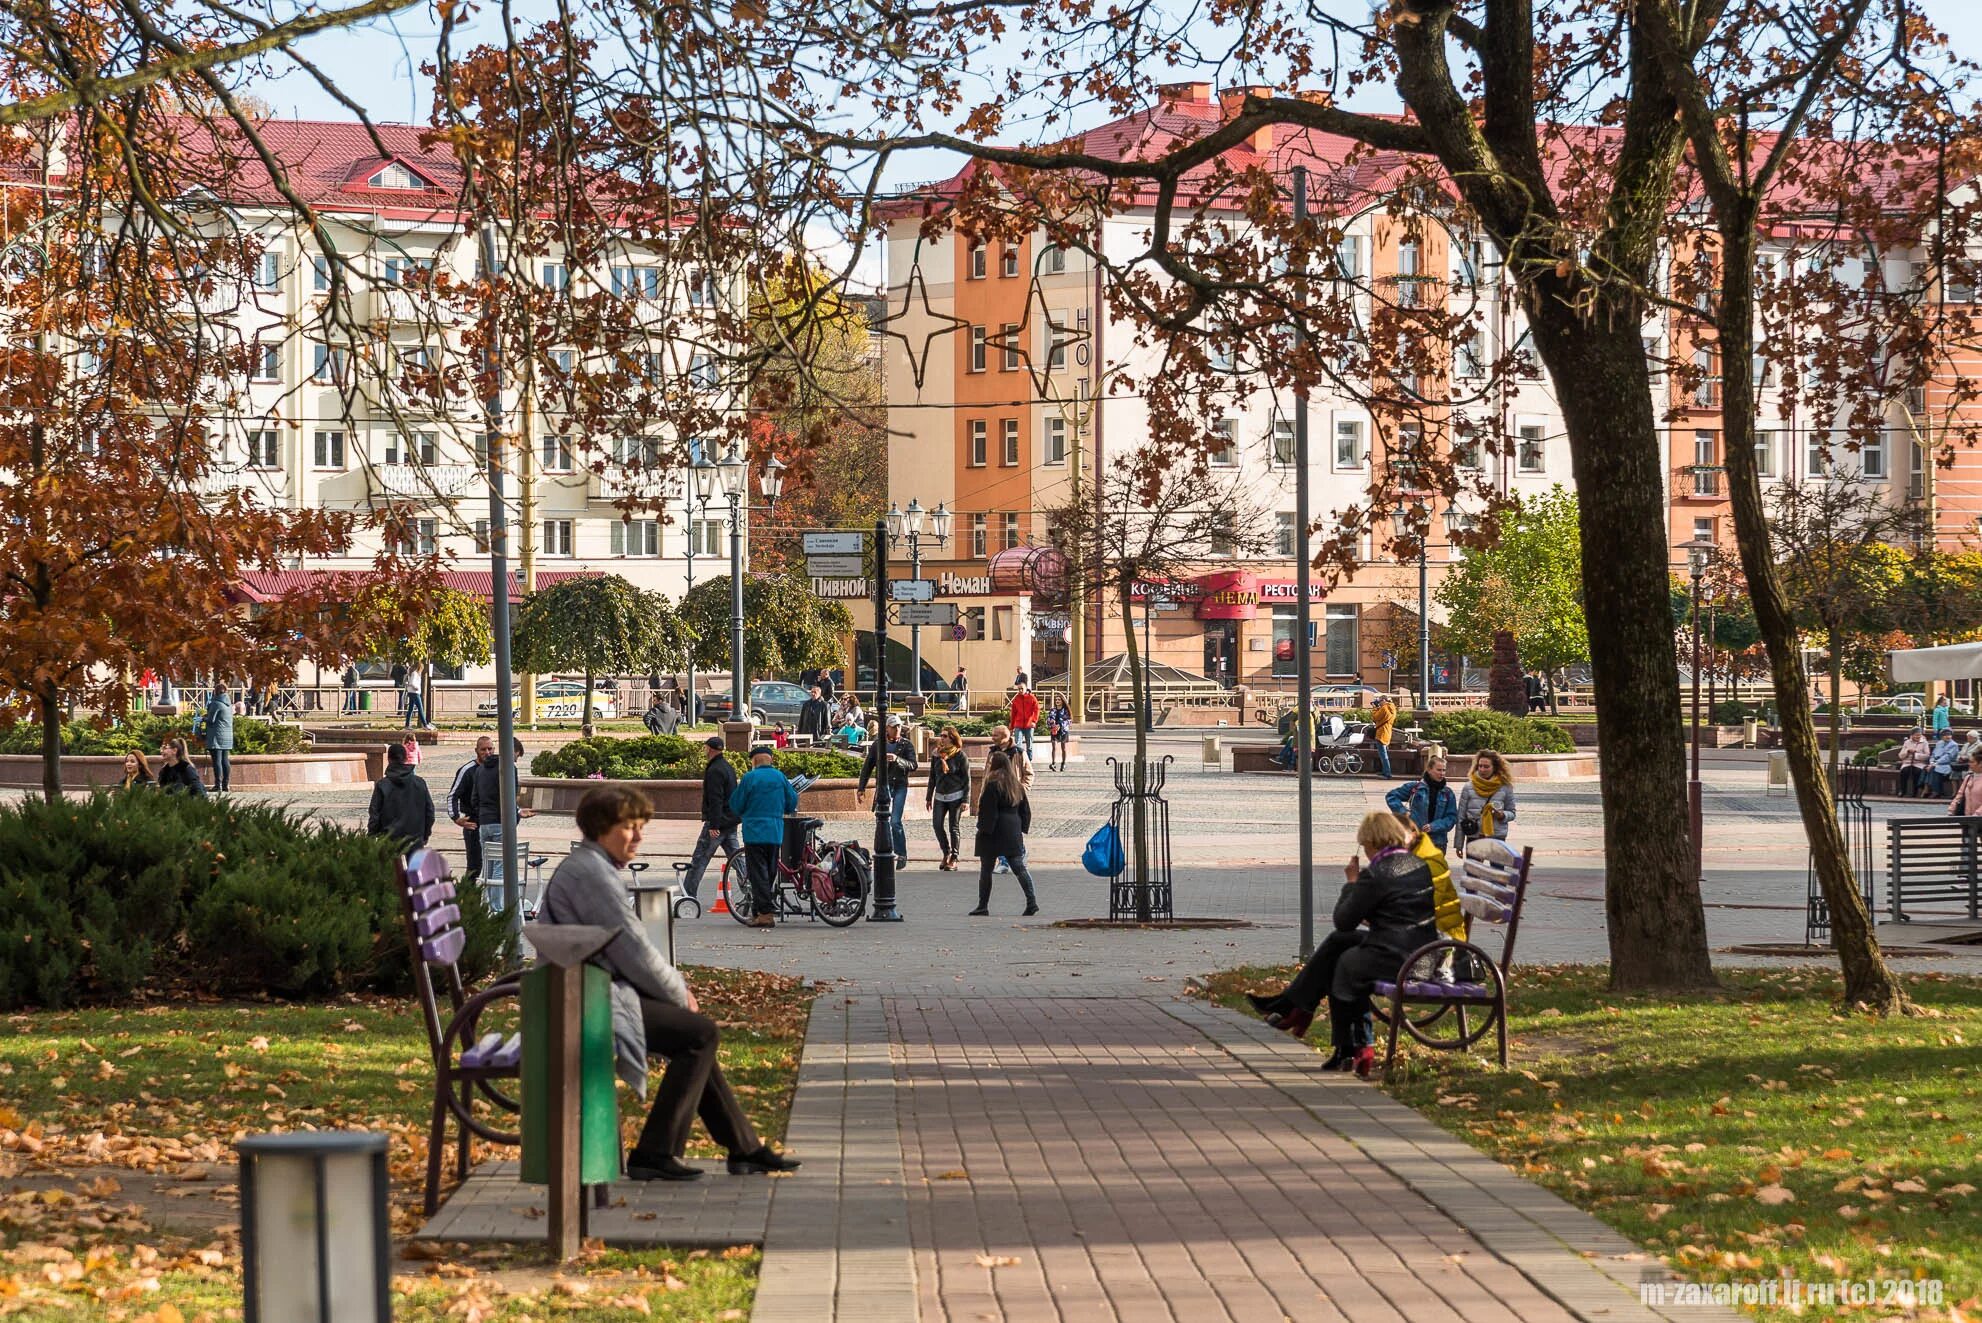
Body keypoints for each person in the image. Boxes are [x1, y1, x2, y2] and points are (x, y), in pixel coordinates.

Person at [542, 785, 799, 1182]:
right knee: (699, 1035)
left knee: (695, 1037)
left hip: (586, 992)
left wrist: (672, 991)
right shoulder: (591, 874)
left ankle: (744, 1149)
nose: (640, 837)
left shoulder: (590, 867)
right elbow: (632, 950)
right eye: (630, 827)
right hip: (581, 1001)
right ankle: (656, 1151)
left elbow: (626, 950)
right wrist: (679, 993)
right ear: (601, 827)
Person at [1244, 810, 1438, 1075]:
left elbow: (1344, 919)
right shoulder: (1417, 865)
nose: (1365, 851)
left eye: (1364, 845)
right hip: (1420, 954)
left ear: (1373, 842)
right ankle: (1299, 1009)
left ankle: (1342, 1041)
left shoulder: (1376, 873)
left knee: (1343, 962)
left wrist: (1352, 883)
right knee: (1340, 943)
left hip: (1396, 958)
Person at [729, 746, 798, 929]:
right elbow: (792, 803)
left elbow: (736, 804)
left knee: (758, 873)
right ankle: (761, 910)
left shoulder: (749, 778)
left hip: (754, 832)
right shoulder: (780, 777)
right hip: (775, 832)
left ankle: (765, 914)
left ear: (754, 761)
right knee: (769, 872)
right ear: (770, 760)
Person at [465, 736, 535, 912]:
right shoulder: (508, 768)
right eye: (516, 756)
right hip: (500, 823)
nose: (515, 760)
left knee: (487, 866)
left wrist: (483, 814)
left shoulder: (480, 770)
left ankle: (487, 906)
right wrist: (516, 815)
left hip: (484, 825)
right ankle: (496, 909)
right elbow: (510, 797)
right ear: (512, 752)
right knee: (499, 866)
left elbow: (475, 798)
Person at [969, 751, 1038, 916]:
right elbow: (1026, 810)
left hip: (994, 831)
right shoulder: (1016, 784)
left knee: (986, 869)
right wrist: (1021, 828)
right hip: (1012, 828)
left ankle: (982, 905)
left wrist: (983, 830)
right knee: (1019, 867)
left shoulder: (992, 784)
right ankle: (1032, 901)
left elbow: (988, 811)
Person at [682, 736, 742, 901]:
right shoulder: (727, 767)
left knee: (699, 859)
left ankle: (687, 896)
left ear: (711, 749)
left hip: (718, 822)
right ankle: (753, 889)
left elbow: (716, 799)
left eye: (706, 747)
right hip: (730, 820)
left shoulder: (715, 770)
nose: (704, 750)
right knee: (736, 858)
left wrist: (713, 825)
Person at [856, 715, 919, 866]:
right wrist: (861, 788)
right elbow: (867, 766)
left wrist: (897, 759)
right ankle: (885, 851)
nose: (897, 729)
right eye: (893, 726)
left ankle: (901, 854)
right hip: (884, 787)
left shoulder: (906, 745)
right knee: (881, 820)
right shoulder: (878, 744)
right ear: (887, 729)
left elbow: (913, 765)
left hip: (899, 786)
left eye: (898, 726)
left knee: (895, 821)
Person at [367, 742, 435, 852]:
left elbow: (375, 814)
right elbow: (430, 812)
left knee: (391, 869)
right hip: (415, 840)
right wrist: (425, 835)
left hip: (388, 840)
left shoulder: (382, 785)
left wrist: (372, 835)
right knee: (413, 869)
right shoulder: (420, 783)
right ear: (406, 758)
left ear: (389, 759)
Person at [1385, 753, 1459, 851]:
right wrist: (1403, 812)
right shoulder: (1416, 787)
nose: (1442, 773)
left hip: (1438, 842)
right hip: (1415, 838)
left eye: (1444, 770)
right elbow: (1391, 796)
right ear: (1429, 770)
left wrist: (1434, 826)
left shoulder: (1448, 793)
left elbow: (1451, 817)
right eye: (1438, 770)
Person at [986, 723, 1031, 872]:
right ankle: (1004, 862)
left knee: (1012, 828)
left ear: (1005, 737)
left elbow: (1029, 773)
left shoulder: (1018, 752)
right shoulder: (992, 752)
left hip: (1013, 797)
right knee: (998, 828)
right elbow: (987, 774)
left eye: (995, 735)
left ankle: (1020, 852)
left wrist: (1021, 790)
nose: (992, 738)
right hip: (995, 796)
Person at [448, 736, 494, 882]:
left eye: (490, 748)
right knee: (475, 866)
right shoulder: (467, 770)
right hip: (473, 823)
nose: (487, 752)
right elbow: (452, 796)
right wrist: (456, 818)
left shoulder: (498, 768)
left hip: (493, 821)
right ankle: (468, 898)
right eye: (483, 749)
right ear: (476, 751)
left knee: (496, 866)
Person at [925, 728, 971, 871]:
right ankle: (946, 852)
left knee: (953, 827)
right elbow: (932, 776)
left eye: (945, 736)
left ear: (952, 738)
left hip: (955, 796)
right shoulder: (936, 755)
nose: (942, 738)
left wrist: (966, 800)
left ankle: (954, 858)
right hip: (940, 796)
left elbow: (967, 779)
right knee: (937, 825)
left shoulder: (960, 755)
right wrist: (928, 797)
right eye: (941, 736)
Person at [1454, 750, 1516, 848]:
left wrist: (1502, 815)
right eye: (1480, 766)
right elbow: (1461, 816)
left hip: (1496, 836)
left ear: (1495, 768)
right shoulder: (1468, 787)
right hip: (1474, 834)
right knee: (1473, 864)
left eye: (1486, 767)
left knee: (1497, 864)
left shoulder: (1505, 787)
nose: (1482, 769)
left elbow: (1512, 813)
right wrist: (1459, 844)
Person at [196, 685, 234, 793]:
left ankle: (218, 785)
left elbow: (211, 720)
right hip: (227, 736)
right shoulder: (228, 704)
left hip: (216, 736)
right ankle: (226, 784)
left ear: (215, 692)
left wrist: (202, 718)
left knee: (217, 760)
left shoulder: (215, 703)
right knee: (225, 760)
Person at [1008, 681, 1041, 760]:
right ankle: (1019, 760)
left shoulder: (1032, 698)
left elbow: (1037, 710)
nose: (1020, 691)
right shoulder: (1016, 699)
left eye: (1022, 689)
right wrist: (1011, 727)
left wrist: (1034, 721)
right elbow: (1013, 714)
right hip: (1018, 724)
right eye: (1019, 689)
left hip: (1029, 725)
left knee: (1029, 745)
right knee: (1018, 744)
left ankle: (1029, 761)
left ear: (1026, 688)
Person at [1367, 693, 1396, 779]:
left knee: (1383, 754)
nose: (1379, 703)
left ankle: (1387, 773)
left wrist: (1375, 708)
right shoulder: (1392, 708)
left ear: (1384, 700)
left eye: (1379, 701)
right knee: (1384, 753)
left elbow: (1375, 717)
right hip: (1386, 732)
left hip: (1381, 733)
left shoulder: (1384, 708)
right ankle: (1385, 771)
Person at [1897, 727, 1932, 798]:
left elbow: (1927, 756)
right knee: (1904, 771)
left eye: (1919, 735)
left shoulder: (1924, 743)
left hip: (1919, 763)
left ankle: (1915, 791)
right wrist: (1907, 751)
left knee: (1917, 771)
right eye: (1916, 735)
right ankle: (1902, 790)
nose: (1917, 737)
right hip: (1908, 762)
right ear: (1912, 735)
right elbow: (1901, 756)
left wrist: (1916, 755)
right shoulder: (1907, 742)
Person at [1928, 728, 1962, 799]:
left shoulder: (1954, 745)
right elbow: (1933, 754)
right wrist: (1931, 762)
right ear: (1942, 736)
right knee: (1925, 769)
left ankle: (1936, 791)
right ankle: (1928, 790)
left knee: (1934, 770)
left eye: (1949, 735)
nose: (1948, 736)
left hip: (1947, 765)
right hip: (1936, 764)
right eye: (1945, 735)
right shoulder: (1939, 743)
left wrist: (1935, 763)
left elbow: (1947, 757)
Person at [1046, 693, 1073, 771]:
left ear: (1062, 701)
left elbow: (1069, 720)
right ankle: (1053, 763)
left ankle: (1063, 763)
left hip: (1063, 730)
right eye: (1056, 700)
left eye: (1059, 699)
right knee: (1054, 746)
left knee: (1063, 747)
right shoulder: (1053, 710)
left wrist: (1060, 725)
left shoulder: (1066, 710)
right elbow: (1048, 719)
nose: (1057, 701)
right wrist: (1051, 724)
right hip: (1054, 730)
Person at [402, 662, 431, 730]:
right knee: (420, 709)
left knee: (410, 709)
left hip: (411, 692)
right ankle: (425, 724)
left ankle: (407, 725)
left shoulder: (412, 673)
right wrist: (416, 687)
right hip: (415, 692)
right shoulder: (415, 673)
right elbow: (412, 682)